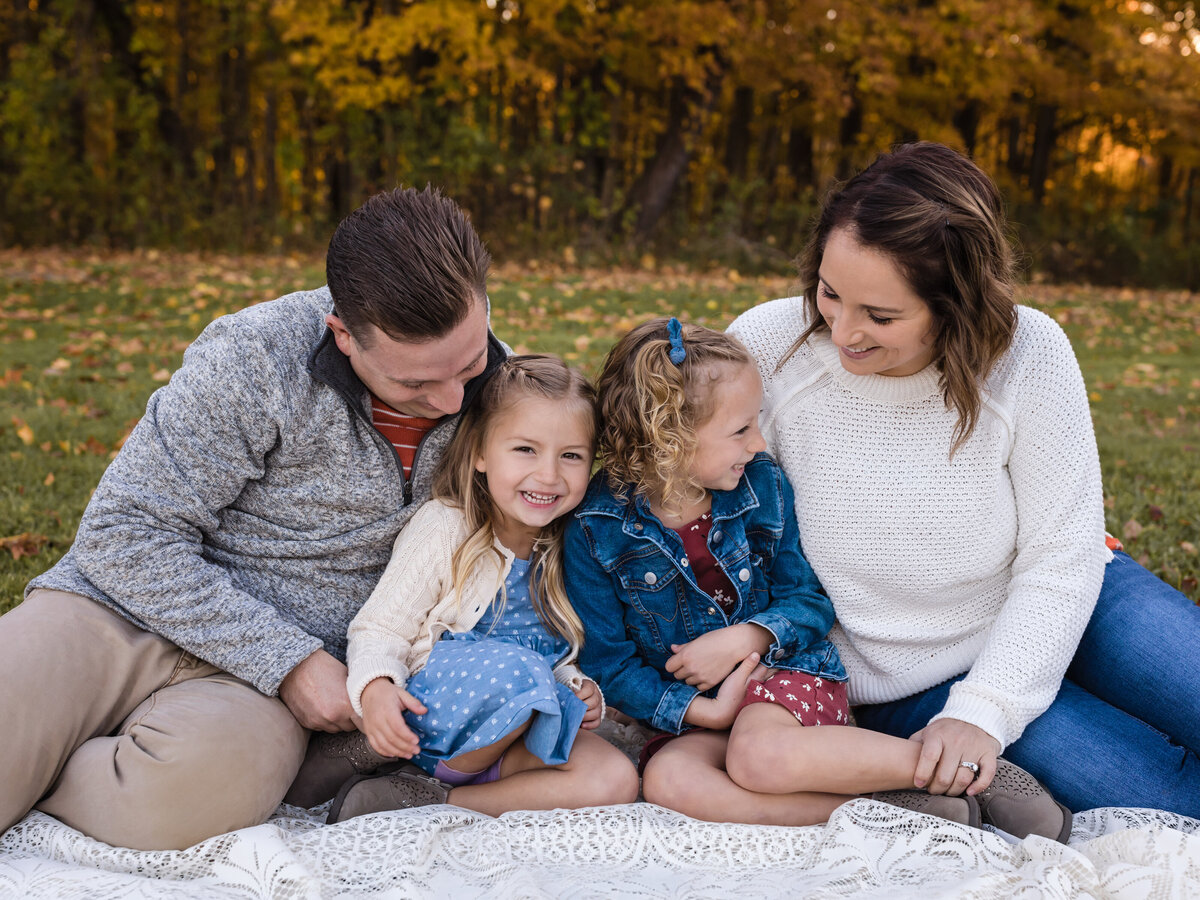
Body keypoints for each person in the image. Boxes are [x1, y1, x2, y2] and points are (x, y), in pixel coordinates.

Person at [0, 186, 508, 850]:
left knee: (180, 802)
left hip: (247, 690)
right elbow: (124, 532)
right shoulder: (253, 357)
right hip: (117, 614)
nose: (451, 399)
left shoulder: (509, 395)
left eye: (469, 365)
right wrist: (291, 661)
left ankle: (48, 762)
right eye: (415, 384)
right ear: (344, 336)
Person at [728, 141, 1200, 818]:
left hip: (1080, 599)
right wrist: (971, 713)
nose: (844, 329)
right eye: (831, 293)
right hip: (909, 676)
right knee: (1166, 801)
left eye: (882, 316)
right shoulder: (770, 345)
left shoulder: (1028, 352)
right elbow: (675, 476)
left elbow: (1061, 556)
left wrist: (993, 703)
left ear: (956, 305)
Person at [563, 318, 1070, 840]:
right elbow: (610, 661)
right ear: (668, 439)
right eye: (741, 430)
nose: (760, 443)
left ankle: (951, 768)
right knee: (670, 780)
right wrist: (703, 711)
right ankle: (888, 811)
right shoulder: (593, 530)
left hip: (788, 680)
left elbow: (807, 599)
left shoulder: (762, 488)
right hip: (700, 717)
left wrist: (750, 636)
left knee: (759, 756)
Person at [325, 355, 638, 822]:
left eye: (571, 455)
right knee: (518, 671)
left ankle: (424, 797)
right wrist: (375, 691)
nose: (549, 475)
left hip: (509, 735)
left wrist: (579, 687)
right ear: (480, 453)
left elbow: (556, 656)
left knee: (614, 777)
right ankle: (373, 753)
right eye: (525, 450)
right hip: (430, 718)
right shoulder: (447, 527)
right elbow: (381, 626)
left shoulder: (571, 546)